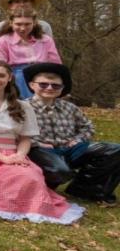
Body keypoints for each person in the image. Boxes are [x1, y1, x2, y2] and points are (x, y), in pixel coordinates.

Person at [0, 60, 83, 224]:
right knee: (8, 179)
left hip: (14, 153)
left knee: (31, 177)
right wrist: (3, 159)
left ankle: (27, 203)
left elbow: (25, 139)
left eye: (1, 75)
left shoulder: (23, 106)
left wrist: (19, 156)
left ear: (9, 77)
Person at [25, 63, 120, 203]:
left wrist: (78, 139)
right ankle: (45, 185)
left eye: (55, 85)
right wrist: (36, 143)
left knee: (113, 150)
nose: (49, 88)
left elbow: (87, 127)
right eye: (43, 84)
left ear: (62, 88)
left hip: (71, 149)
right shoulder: (22, 107)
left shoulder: (69, 108)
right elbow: (13, 134)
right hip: (39, 151)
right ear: (32, 85)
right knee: (60, 171)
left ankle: (84, 189)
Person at [0, 8, 61, 99]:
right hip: (17, 75)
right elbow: (2, 66)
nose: (23, 28)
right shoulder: (3, 41)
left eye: (27, 24)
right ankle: (27, 105)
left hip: (43, 73)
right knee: (21, 76)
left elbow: (55, 62)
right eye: (18, 24)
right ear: (11, 23)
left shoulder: (45, 40)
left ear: (34, 23)